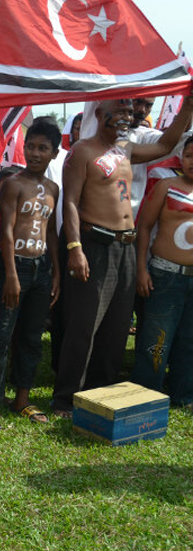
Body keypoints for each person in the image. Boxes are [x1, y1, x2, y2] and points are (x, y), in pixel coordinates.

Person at [53, 97, 193, 417]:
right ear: (100, 114)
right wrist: (75, 248)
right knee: (84, 325)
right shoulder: (82, 151)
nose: (126, 117)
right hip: (93, 244)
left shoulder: (127, 150)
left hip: (126, 247)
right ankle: (65, 399)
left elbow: (169, 142)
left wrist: (188, 106)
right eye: (120, 111)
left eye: (130, 113)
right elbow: (70, 203)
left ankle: (101, 394)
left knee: (117, 327)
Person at [0, 121, 61, 427]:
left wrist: (55, 273)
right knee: (1, 335)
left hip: (42, 270)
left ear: (55, 152)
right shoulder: (14, 183)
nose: (34, 153)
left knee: (32, 336)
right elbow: (7, 231)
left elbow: (51, 232)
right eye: (30, 146)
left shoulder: (54, 189)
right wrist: (10, 273)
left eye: (42, 148)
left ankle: (22, 398)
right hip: (15, 267)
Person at [131, 137, 193, 407]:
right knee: (156, 339)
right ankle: (147, 397)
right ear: (181, 158)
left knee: (189, 340)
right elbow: (143, 227)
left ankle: (184, 395)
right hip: (165, 275)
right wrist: (142, 269)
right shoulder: (167, 187)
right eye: (190, 155)